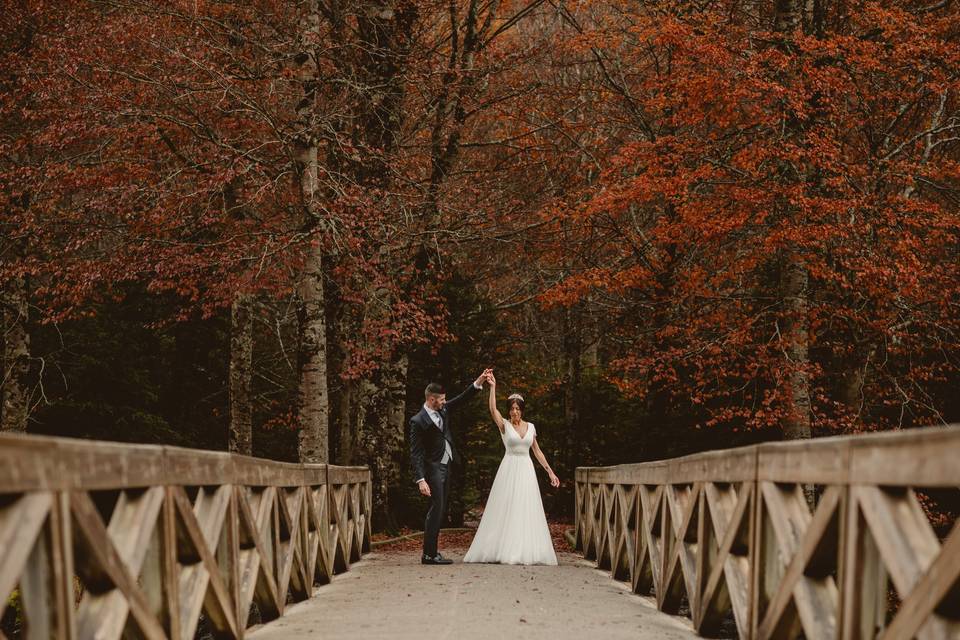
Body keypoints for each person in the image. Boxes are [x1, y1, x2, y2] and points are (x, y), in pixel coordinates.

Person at [462, 371, 559, 565]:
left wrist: (550, 472)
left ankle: (525, 549)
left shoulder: (531, 427)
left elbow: (537, 451)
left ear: (522, 410)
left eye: (517, 408)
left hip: (526, 470)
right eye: (512, 408)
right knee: (507, 507)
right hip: (509, 468)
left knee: (525, 507)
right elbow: (492, 409)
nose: (514, 411)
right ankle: (503, 548)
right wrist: (492, 387)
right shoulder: (504, 425)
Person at [410, 369, 491, 565]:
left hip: (447, 467)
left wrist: (478, 382)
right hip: (434, 469)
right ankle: (429, 554)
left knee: (440, 508)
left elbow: (461, 399)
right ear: (431, 399)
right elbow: (416, 453)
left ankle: (432, 552)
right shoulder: (418, 421)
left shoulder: (443, 410)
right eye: (441, 399)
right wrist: (421, 479)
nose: (445, 402)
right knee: (436, 509)